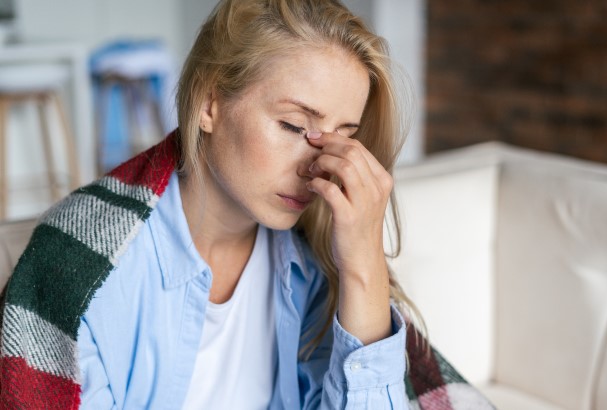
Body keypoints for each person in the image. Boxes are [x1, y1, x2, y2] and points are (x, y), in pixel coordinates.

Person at [1, 0, 415, 408]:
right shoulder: (81, 270)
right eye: (294, 125)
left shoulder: (316, 265)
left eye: (343, 137)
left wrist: (363, 267)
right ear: (209, 104)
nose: (318, 167)